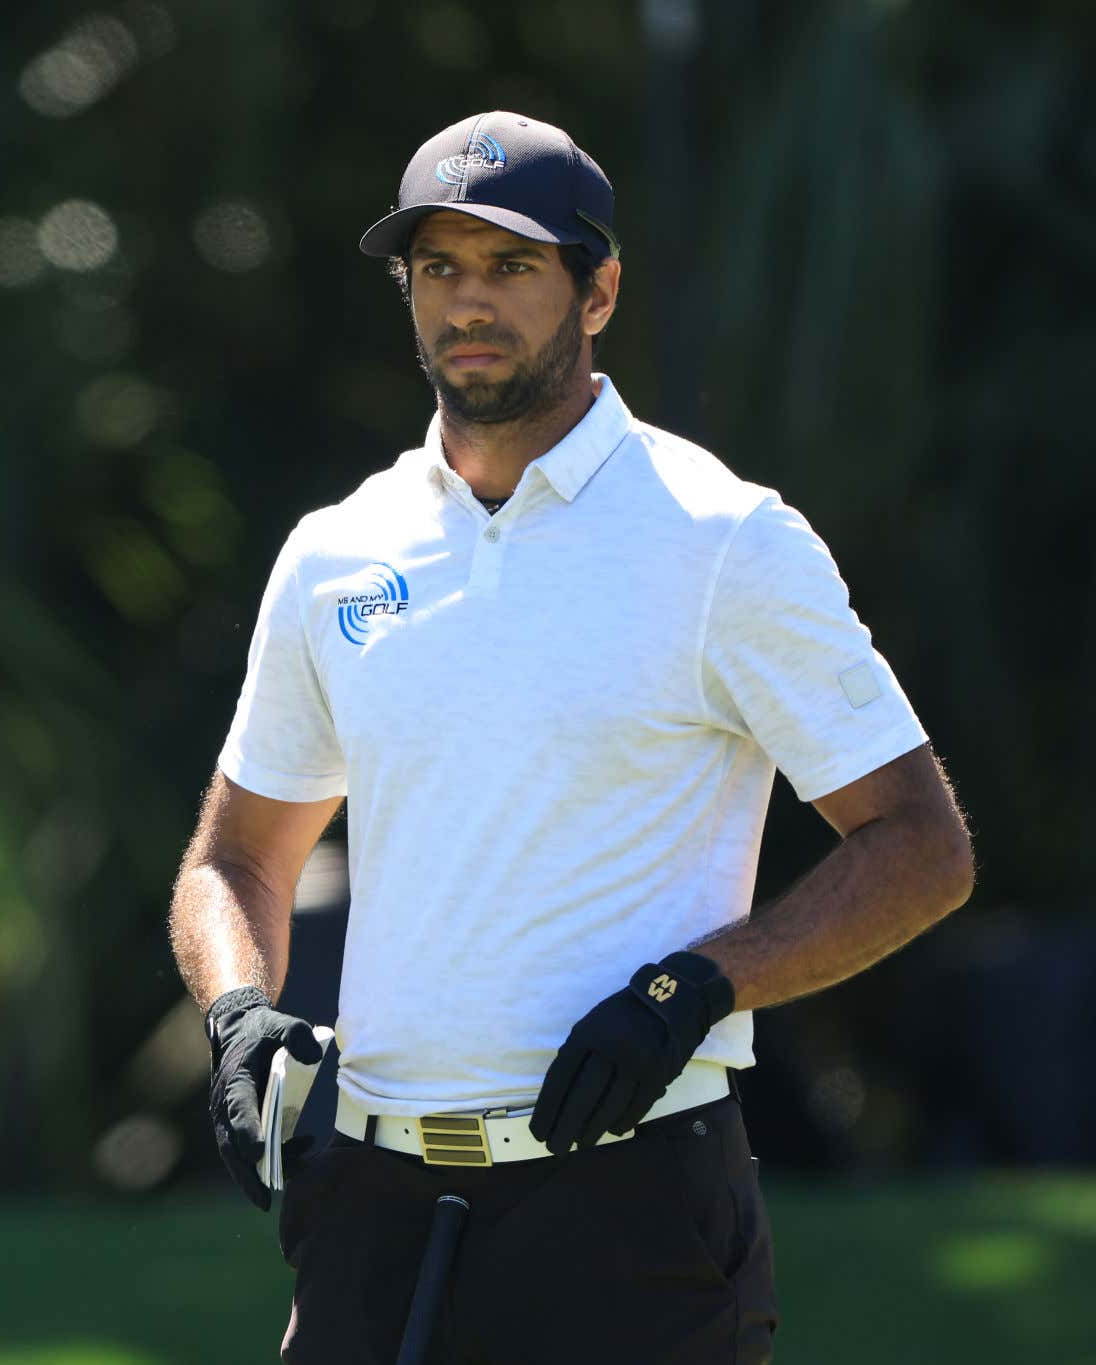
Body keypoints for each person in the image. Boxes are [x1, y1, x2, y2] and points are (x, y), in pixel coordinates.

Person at [169, 113, 973, 1365]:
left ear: (596, 290)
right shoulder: (337, 550)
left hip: (629, 1205)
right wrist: (234, 1017)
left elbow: (920, 847)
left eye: (510, 267)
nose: (467, 303)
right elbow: (235, 861)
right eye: (438, 268)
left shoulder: (724, 540)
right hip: (368, 1210)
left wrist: (694, 988)